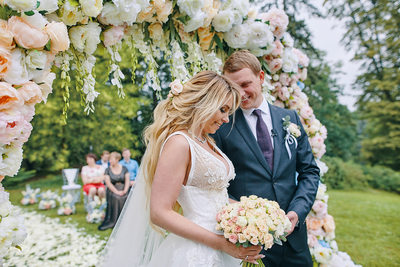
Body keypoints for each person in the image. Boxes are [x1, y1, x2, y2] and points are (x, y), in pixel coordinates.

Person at [101, 71, 263, 266]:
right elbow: (159, 212)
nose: (227, 119)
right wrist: (219, 243)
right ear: (204, 103)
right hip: (196, 251)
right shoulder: (179, 143)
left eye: (229, 112)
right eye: (223, 109)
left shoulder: (206, 141)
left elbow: (212, 195)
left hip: (224, 245)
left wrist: (251, 212)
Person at [212, 50, 320, 267]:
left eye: (245, 84)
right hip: (250, 246)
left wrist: (296, 212)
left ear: (261, 78)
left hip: (294, 243)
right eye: (233, 87)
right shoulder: (222, 126)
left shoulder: (290, 119)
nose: (240, 94)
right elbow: (217, 185)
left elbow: (309, 172)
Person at [98, 151, 130, 231]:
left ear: (117, 159)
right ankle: (115, 220)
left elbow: (127, 181)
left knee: (126, 197)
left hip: (123, 188)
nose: (110, 161)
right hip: (113, 189)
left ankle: (126, 221)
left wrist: (125, 190)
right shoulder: (107, 170)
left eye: (111, 159)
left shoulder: (124, 169)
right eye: (109, 159)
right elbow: (108, 184)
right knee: (117, 197)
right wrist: (117, 192)